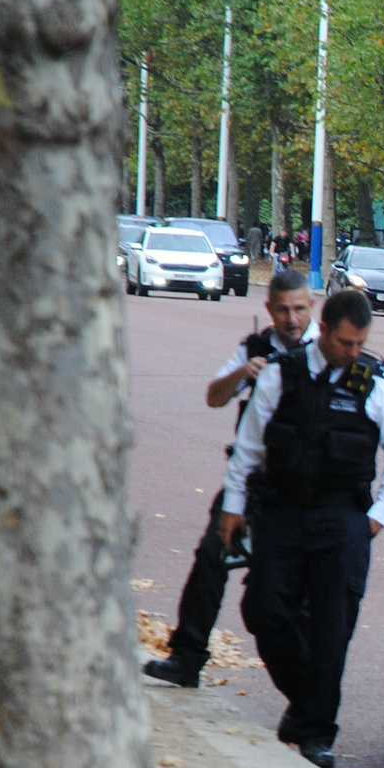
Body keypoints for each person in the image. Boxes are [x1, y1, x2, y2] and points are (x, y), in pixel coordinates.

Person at [219, 287, 384, 768]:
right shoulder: (279, 376)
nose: (354, 353)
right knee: (264, 609)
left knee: (333, 627)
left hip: (344, 517)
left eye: (361, 344)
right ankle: (308, 704)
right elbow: (249, 448)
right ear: (323, 329)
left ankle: (317, 732)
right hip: (283, 512)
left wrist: (374, 521)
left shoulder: (379, 382)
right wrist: (233, 506)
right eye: (346, 343)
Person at [145, 269, 319, 689]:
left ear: (312, 306)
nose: (292, 318)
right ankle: (187, 657)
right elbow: (213, 397)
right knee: (211, 558)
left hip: (306, 490)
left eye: (299, 308)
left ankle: (310, 686)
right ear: (269, 310)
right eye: (283, 310)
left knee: (300, 591)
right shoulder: (255, 348)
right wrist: (242, 372)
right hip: (252, 479)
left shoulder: (326, 349)